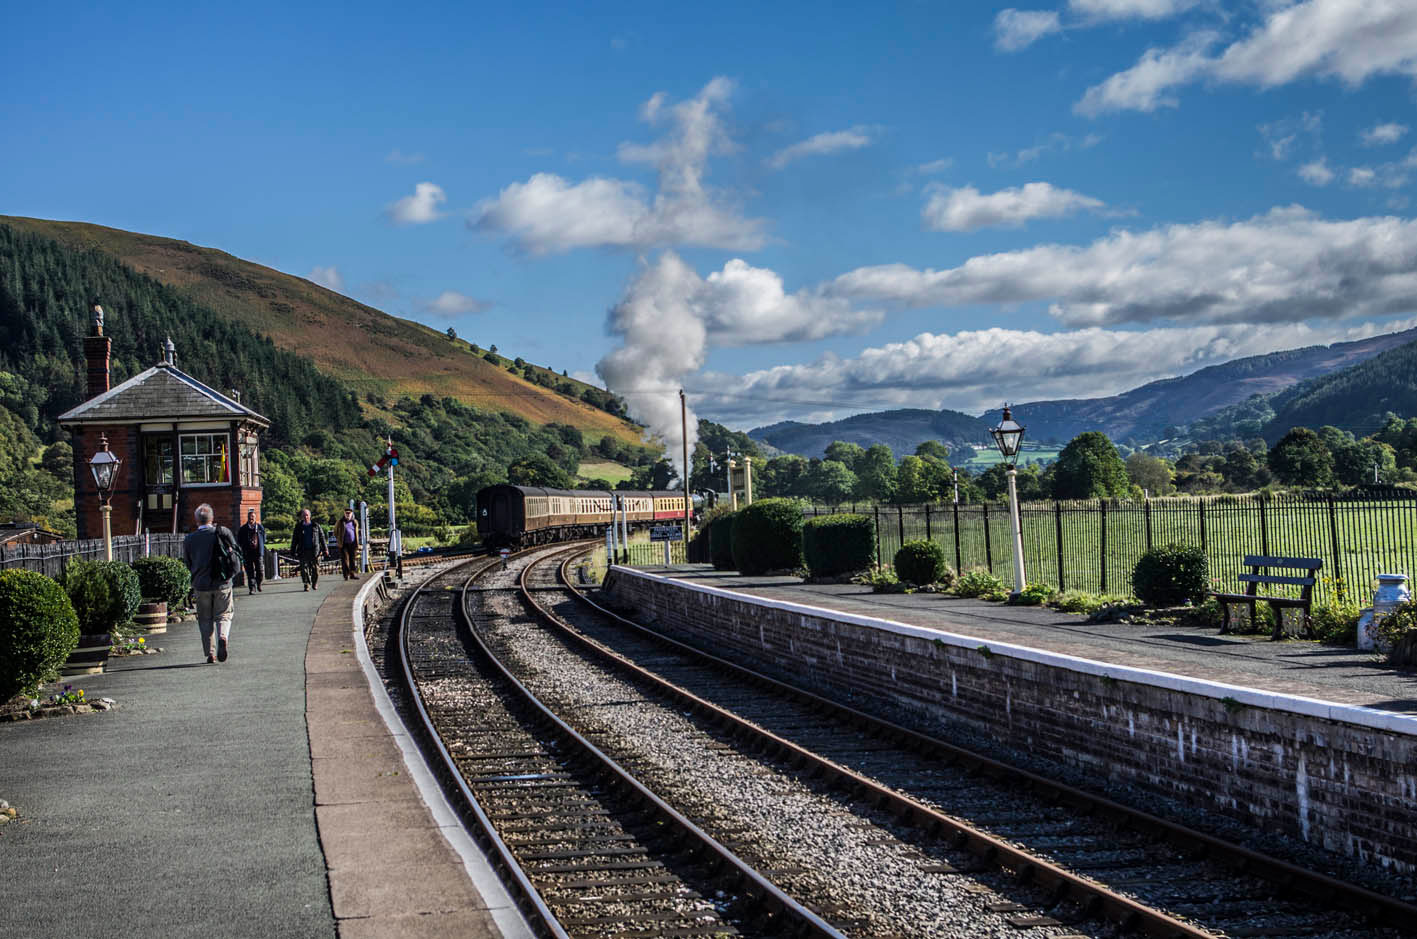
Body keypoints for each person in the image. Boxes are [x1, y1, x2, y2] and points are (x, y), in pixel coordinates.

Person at [182, 503, 238, 664]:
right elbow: (235, 553)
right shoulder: (222, 533)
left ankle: (211, 653)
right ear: (212, 518)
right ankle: (223, 637)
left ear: (196, 520)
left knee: (205, 619)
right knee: (224, 615)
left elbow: (188, 562)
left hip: (201, 584)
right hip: (223, 582)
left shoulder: (190, 539)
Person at [291, 508, 327, 591]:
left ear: (310, 516)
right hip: (303, 550)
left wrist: (325, 549)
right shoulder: (298, 527)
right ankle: (306, 584)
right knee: (304, 569)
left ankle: (314, 583)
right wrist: (292, 550)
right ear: (301, 517)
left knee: (315, 569)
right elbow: (295, 539)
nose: (305, 517)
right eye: (303, 515)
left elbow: (322, 538)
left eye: (307, 515)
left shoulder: (316, 525)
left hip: (314, 550)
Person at [237, 508, 267, 595]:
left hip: (258, 553)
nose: (251, 518)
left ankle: (259, 583)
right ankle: (252, 588)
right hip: (247, 553)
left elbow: (264, 538)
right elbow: (239, 540)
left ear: (255, 517)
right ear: (247, 517)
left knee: (260, 570)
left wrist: (259, 545)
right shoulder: (243, 529)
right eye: (250, 517)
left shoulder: (260, 527)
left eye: (253, 517)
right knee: (250, 572)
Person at [336, 506, 360, 580]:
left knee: (352, 559)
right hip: (343, 544)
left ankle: (352, 574)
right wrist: (339, 539)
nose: (348, 514)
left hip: (352, 543)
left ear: (351, 514)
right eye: (346, 513)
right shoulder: (340, 522)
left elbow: (356, 532)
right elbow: (335, 532)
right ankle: (346, 574)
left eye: (349, 513)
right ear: (344, 513)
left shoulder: (354, 522)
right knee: (345, 560)